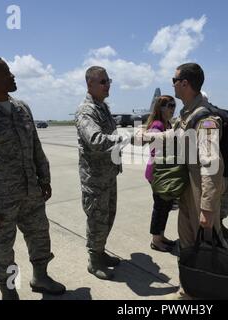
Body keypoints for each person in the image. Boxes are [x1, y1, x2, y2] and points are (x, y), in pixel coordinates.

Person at [0, 56, 66, 300]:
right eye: (6, 72)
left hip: (31, 193)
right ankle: (9, 291)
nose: (12, 76)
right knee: (2, 250)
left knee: (40, 237)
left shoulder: (22, 108)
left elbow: (35, 147)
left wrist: (45, 178)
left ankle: (40, 277)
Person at [172, 63, 227, 299]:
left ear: (185, 83)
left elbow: (212, 166)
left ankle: (221, 285)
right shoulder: (187, 114)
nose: (172, 84)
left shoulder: (205, 119)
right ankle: (190, 289)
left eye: (174, 80)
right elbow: (177, 136)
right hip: (188, 189)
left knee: (210, 245)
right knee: (187, 243)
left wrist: (207, 207)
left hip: (200, 190)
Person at [75, 66, 130, 281]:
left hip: (108, 174)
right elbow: (96, 140)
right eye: (103, 82)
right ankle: (94, 260)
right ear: (90, 84)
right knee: (97, 219)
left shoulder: (103, 107)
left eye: (109, 81)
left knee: (108, 217)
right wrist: (125, 138)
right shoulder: (86, 110)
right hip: (95, 178)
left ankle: (100, 251)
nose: (108, 85)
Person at [144, 95, 177, 253]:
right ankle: (156, 241)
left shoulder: (168, 124)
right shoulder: (157, 125)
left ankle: (161, 236)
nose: (172, 108)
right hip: (157, 173)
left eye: (173, 105)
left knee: (166, 206)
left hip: (165, 172)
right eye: (169, 105)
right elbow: (155, 150)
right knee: (160, 206)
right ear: (161, 108)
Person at [201, 92, 228, 239]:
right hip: (226, 164)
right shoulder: (221, 115)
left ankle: (214, 230)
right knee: (222, 196)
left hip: (212, 167)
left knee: (211, 198)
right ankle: (218, 226)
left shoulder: (207, 119)